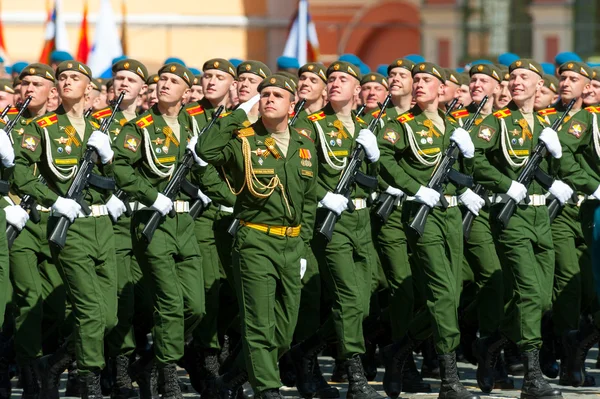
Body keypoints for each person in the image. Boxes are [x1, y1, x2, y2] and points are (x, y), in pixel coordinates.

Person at [197, 73, 316, 399]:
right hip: (255, 241)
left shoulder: (305, 145)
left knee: (284, 332)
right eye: (265, 95)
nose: (269, 99)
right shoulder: (244, 139)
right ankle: (267, 389)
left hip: (292, 244)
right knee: (259, 325)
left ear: (292, 105)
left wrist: (304, 247)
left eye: (278, 95)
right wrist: (238, 113)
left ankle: (231, 379)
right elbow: (204, 152)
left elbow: (309, 200)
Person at [13, 60, 118, 399]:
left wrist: (110, 160)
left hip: (103, 226)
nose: (68, 81)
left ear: (89, 88)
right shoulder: (42, 127)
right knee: (89, 312)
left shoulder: (101, 129)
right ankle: (89, 381)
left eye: (76, 77)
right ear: (56, 90)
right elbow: (20, 173)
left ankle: (55, 362)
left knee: (109, 319)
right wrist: (54, 201)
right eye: (63, 78)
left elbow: (119, 177)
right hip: (70, 227)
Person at [378, 61, 480, 399]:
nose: (420, 84)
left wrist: (467, 161)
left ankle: (399, 350)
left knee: (452, 293)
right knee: (442, 293)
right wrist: (413, 187)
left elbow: (465, 169)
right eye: (416, 80)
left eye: (427, 80)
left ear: (442, 89)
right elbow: (384, 161)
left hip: (452, 215)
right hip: (422, 213)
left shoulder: (454, 125)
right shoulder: (402, 123)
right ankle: (450, 379)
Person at [471, 59, 563, 399]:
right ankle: (532, 376)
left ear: (540, 85)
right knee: (528, 293)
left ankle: (491, 344)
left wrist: (557, 152)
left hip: (543, 219)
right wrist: (505, 183)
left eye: (525, 76)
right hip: (513, 219)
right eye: (513, 77)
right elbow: (475, 160)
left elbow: (565, 167)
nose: (516, 81)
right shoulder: (498, 122)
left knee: (542, 301)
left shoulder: (548, 123)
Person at [112, 62, 204, 399]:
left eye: (173, 81)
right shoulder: (141, 126)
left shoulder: (194, 127)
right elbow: (120, 168)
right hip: (153, 223)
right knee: (169, 301)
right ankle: (167, 376)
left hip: (185, 224)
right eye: (161, 79)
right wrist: (151, 196)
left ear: (187, 92)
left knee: (195, 306)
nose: (164, 84)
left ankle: (150, 361)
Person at [292, 60, 383, 399]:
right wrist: (323, 197)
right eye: (331, 79)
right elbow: (301, 174)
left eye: (343, 79)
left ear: (357, 90)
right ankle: (356, 379)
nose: (334, 84)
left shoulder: (366, 127)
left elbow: (384, 177)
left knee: (362, 303)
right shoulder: (311, 124)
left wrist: (376, 156)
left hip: (362, 221)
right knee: (347, 298)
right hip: (331, 223)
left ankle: (307, 349)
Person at [5, 63, 70, 399]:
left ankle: (35, 360)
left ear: (52, 92)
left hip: (54, 223)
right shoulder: (6, 125)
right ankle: (32, 380)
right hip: (20, 222)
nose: (28, 89)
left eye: (36, 83)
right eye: (23, 83)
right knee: (29, 298)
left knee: (58, 304)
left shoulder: (62, 127)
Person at [92, 58, 150, 399]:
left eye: (131, 78)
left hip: (151, 221)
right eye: (119, 78)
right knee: (117, 301)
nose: (123, 83)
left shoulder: (154, 123)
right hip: (114, 222)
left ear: (143, 87)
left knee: (148, 299)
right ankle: (114, 370)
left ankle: (148, 364)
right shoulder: (97, 122)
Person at [182, 58, 237, 396]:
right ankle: (205, 360)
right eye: (207, 76)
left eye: (220, 77)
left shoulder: (240, 121)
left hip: (234, 214)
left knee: (231, 290)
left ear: (232, 83)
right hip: (200, 215)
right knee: (208, 291)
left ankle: (222, 355)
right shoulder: (187, 117)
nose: (212, 81)